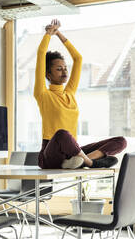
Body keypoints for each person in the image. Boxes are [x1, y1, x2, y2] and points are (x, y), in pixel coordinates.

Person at [34, 19, 127, 169]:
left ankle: (80, 160)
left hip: (73, 152)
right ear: (48, 75)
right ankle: (90, 162)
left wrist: (59, 34)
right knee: (62, 134)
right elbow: (40, 54)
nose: (64, 71)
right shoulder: (43, 94)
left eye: (65, 68)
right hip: (51, 154)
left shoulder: (69, 93)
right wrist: (48, 35)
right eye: (59, 69)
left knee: (121, 141)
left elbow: (78, 59)